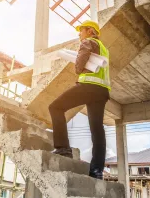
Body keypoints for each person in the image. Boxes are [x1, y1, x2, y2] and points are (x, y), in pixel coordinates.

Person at [48, 20, 111, 180]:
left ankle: (63, 149)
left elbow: (78, 66)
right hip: (102, 91)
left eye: (81, 31)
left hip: (88, 86)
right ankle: (97, 171)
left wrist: (78, 66)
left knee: (55, 107)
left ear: (90, 31)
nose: (79, 34)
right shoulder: (104, 49)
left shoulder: (88, 42)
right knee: (97, 130)